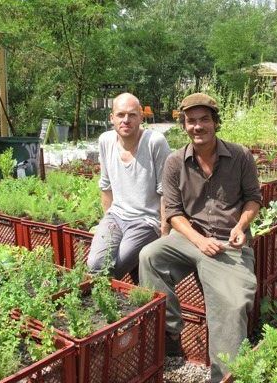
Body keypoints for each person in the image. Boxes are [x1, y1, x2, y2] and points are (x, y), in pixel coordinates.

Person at [139, 93, 262, 382]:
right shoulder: (174, 162)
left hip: (228, 243)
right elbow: (173, 211)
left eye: (204, 119)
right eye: (191, 121)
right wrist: (197, 240)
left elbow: (253, 199)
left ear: (215, 123)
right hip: (190, 238)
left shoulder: (240, 156)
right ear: (184, 126)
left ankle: (224, 375)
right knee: (149, 256)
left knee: (232, 306)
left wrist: (241, 226)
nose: (197, 126)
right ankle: (171, 329)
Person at [87, 93, 171, 280]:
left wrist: (164, 235)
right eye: (121, 115)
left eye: (132, 115)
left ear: (141, 117)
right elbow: (106, 185)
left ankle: (103, 303)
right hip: (116, 217)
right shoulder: (106, 141)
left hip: (146, 221)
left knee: (117, 264)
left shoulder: (154, 142)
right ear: (112, 118)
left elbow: (166, 192)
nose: (126, 120)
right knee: (95, 264)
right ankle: (104, 302)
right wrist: (105, 221)